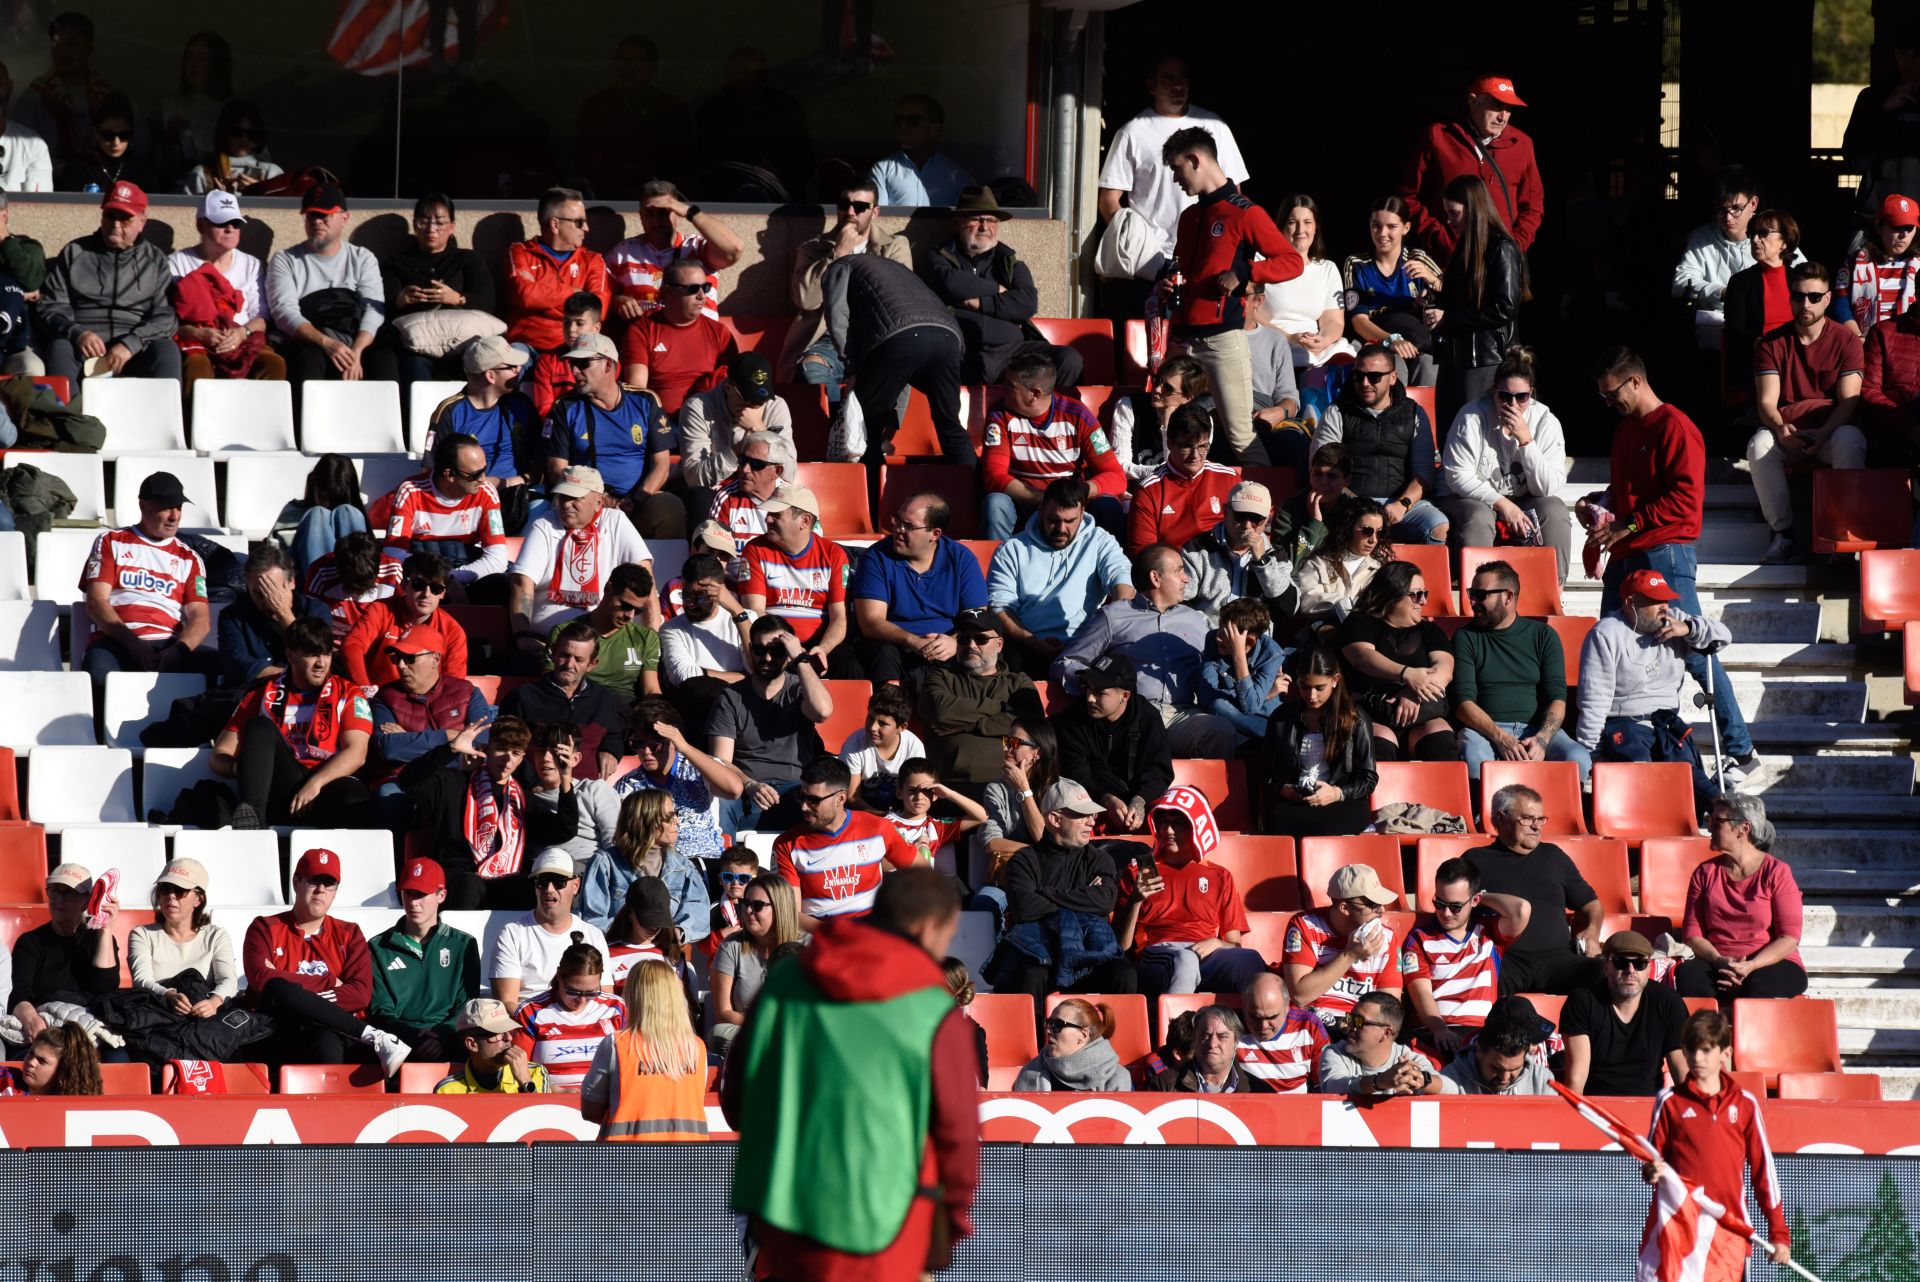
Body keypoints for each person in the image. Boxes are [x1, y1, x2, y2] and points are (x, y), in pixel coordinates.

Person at [724, 868, 978, 1281]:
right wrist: (951, 1221)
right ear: (931, 928)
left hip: (790, 1210)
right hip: (892, 1218)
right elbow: (956, 1128)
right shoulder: (930, 1006)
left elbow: (740, 1091)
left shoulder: (788, 981)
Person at [1583, 348, 1756, 777]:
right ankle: (1611, 744)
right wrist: (1599, 504)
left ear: (1636, 381)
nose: (1609, 403)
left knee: (1691, 645)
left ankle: (1740, 750)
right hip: (1627, 554)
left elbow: (1684, 498)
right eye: (1603, 397)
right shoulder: (1627, 430)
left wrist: (1628, 521)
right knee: (1609, 649)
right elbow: (1632, 489)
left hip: (1665, 551)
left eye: (1612, 394)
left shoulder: (1676, 426)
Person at [1161, 124, 1302, 465]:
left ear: (1195, 160)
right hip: (1181, 337)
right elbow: (1181, 268)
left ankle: (1264, 515)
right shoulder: (1190, 216)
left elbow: (1292, 261)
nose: (1177, 180)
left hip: (1223, 339)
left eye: (1178, 169)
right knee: (1171, 432)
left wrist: (1246, 273)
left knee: (1241, 437)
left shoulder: (1244, 212)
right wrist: (1169, 283)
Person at [1640, 1010, 1793, 1268]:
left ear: (1726, 1054)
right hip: (1681, 1234)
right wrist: (1651, 1171)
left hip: (1729, 1234)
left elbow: (1764, 1172)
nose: (1697, 1058)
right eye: (1691, 1049)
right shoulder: (1668, 1101)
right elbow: (1651, 1161)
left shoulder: (1746, 1104)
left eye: (1706, 1050)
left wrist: (1778, 1232)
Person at [1056, 544, 1237, 759]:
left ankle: (1203, 793)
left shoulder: (1197, 620)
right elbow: (1066, 662)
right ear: (1155, 578)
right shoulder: (1113, 616)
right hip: (1133, 716)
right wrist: (1094, 682)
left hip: (1184, 715)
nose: (1186, 578)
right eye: (1179, 570)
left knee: (1221, 731)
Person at [243, 848, 411, 1073]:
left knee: (324, 1037)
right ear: (296, 881)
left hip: (337, 1034)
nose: (321, 890)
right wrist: (330, 981)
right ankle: (375, 1036)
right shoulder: (264, 928)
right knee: (276, 986)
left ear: (335, 891)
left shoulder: (349, 933)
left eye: (329, 883)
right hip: (279, 1032)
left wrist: (297, 997)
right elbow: (262, 981)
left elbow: (360, 994)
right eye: (313, 880)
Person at [1745, 260, 1867, 565]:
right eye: (1798, 296)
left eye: (1814, 297)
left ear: (1827, 299)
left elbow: (1849, 401)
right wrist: (1780, 428)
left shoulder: (1847, 340)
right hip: (1790, 431)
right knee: (1759, 446)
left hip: (1830, 431)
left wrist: (1824, 432)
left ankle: (1844, 535)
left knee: (1850, 439)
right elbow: (1767, 403)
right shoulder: (1771, 343)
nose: (1805, 303)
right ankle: (1783, 535)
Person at [1575, 567, 1731, 801]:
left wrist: (1688, 629)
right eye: (1655, 601)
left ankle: (1718, 818)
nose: (1664, 607)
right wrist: (1591, 755)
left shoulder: (1675, 621)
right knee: (1641, 772)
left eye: (1665, 599)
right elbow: (1594, 700)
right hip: (1625, 722)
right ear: (1631, 602)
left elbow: (1723, 636)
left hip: (1666, 723)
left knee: (1701, 788)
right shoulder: (1606, 633)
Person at [212, 616, 376, 831]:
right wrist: (243, 768)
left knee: (356, 798)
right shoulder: (262, 693)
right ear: (290, 655)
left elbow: (357, 753)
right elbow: (219, 755)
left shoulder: (349, 693)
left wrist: (315, 784)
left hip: (327, 783)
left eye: (326, 654)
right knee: (260, 727)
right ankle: (252, 820)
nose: (321, 663)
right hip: (281, 785)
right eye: (311, 655)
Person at [993, 779, 1140, 1001]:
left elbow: (1105, 901)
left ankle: (1121, 1037)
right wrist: (1083, 898)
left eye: (1092, 814)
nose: (1092, 822)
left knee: (1125, 974)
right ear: (1054, 819)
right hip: (1041, 951)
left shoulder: (1100, 859)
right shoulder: (1024, 860)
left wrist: (1045, 893)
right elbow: (1025, 908)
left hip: (1091, 951)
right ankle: (1034, 1036)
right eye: (1082, 815)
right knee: (1030, 973)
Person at [1096, 54, 1250, 266]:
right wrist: (1132, 244)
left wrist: (1225, 244)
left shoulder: (1215, 126)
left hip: (1205, 251)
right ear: (1151, 86)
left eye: (1183, 78)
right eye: (1168, 79)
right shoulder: (1132, 132)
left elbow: (1234, 193)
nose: (1178, 85)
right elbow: (1108, 200)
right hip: (1151, 258)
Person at [1115, 787, 1266, 998]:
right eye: (1163, 822)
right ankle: (1176, 1029)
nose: (1168, 831)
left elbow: (1234, 943)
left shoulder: (1220, 876)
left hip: (1207, 954)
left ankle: (1250, 1030)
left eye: (1178, 823)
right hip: (1157, 954)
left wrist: (1219, 943)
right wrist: (1135, 900)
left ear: (1196, 826)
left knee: (1250, 960)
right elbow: (1121, 947)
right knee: (1185, 961)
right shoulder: (1139, 872)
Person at [924, 186, 1083, 387]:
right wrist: (998, 290)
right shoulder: (940, 257)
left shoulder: (1009, 262)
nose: (984, 227)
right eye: (976, 219)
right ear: (957, 223)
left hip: (1013, 354)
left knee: (1068, 359)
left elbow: (1027, 303)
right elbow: (950, 283)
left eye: (991, 220)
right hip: (965, 351)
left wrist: (979, 304)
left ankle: (1053, 417)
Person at [77, 471, 211, 709]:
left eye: (178, 507)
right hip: (116, 639)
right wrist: (134, 644)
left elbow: (201, 619)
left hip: (169, 644)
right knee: (98, 677)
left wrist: (180, 650)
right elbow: (96, 602)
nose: (174, 516)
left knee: (224, 669)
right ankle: (98, 741)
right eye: (166, 507)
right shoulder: (111, 541)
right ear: (143, 505)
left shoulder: (190, 558)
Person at [822, 251, 970, 464]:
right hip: (949, 339)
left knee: (867, 430)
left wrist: (852, 367)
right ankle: (976, 490)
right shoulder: (898, 269)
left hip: (899, 339)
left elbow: (838, 320)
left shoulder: (840, 266)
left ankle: (874, 494)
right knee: (950, 426)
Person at [1452, 559, 1590, 785]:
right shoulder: (1465, 637)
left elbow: (1557, 697)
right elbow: (1463, 702)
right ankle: (1483, 818)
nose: (1473, 601)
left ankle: (1554, 818)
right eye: (1471, 593)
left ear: (1508, 596)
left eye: (1480, 594)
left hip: (1536, 729)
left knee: (1578, 759)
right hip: (1485, 730)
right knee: (1475, 757)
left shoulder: (1542, 635)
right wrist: (1500, 737)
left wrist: (1542, 740)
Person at [781, 174, 913, 407]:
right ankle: (838, 429)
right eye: (845, 205)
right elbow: (807, 301)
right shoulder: (813, 250)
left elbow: (898, 300)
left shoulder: (894, 246)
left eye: (860, 206)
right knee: (812, 369)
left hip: (875, 338)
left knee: (898, 369)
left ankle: (873, 438)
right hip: (829, 340)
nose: (851, 212)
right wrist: (838, 255)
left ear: (875, 212)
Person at [1441, 346, 1572, 580]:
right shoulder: (1471, 416)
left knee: (1555, 510)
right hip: (1473, 498)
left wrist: (1526, 441)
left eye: (1521, 397)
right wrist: (1502, 504)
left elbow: (1548, 487)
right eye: (1504, 396)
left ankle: (1554, 591)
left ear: (1531, 394)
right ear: (1493, 392)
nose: (1512, 404)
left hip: (1523, 496)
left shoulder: (1545, 421)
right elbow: (1457, 476)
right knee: (1478, 517)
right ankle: (1477, 594)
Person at [542, 334, 682, 540]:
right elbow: (556, 469)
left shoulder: (644, 401)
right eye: (573, 364)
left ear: (608, 365)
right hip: (586, 501)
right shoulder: (566, 406)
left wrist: (635, 501)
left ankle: (667, 572)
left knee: (669, 507)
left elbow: (661, 465)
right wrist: (602, 500)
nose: (574, 371)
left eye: (582, 363)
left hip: (637, 502)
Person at [1468, 783, 1604, 995]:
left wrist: (1592, 932)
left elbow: (1590, 904)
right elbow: (1455, 906)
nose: (1537, 826)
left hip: (1558, 961)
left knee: (1606, 974)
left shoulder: (1554, 856)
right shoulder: (1475, 860)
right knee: (1472, 981)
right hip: (1504, 960)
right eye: (1528, 818)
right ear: (1501, 818)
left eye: (1540, 819)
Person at [37, 182, 180, 382]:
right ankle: (66, 413)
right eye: (110, 216)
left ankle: (166, 412)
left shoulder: (155, 260)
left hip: (134, 346)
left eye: (125, 219)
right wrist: (78, 333)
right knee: (59, 348)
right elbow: (51, 306)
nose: (115, 224)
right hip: (82, 342)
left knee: (166, 351)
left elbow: (166, 316)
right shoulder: (75, 251)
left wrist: (133, 343)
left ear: (142, 221)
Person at [1308, 345, 1446, 543]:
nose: (1365, 383)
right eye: (1358, 376)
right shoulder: (1337, 412)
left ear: (1393, 377)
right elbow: (1323, 470)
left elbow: (1424, 473)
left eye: (1374, 377)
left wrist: (1402, 504)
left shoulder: (1414, 413)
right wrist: (1359, 507)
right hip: (1350, 503)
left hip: (1400, 505)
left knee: (1438, 527)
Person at [410, 715, 549, 910]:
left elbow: (562, 830)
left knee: (527, 886)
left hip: (505, 877)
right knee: (470, 885)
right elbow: (409, 782)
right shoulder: (454, 783)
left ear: (521, 758)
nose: (507, 759)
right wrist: (450, 749)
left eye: (515, 753)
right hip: (457, 879)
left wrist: (565, 783)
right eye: (501, 749)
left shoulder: (523, 798)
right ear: (486, 749)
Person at [1676, 793, 1807, 1000]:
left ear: (1743, 829)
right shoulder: (1704, 873)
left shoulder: (1776, 872)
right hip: (1718, 962)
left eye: (1717, 822)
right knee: (1688, 976)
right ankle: (1710, 1032)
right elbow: (1693, 934)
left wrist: (1751, 966)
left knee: (1757, 985)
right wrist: (1720, 961)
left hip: (1767, 963)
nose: (1709, 827)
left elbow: (1789, 938)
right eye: (1710, 821)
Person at [981, 351, 1123, 542]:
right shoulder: (999, 415)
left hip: (1069, 506)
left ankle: (1111, 569)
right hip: (1025, 502)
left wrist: (1078, 493)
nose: (1001, 388)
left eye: (1010, 386)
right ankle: (998, 565)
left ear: (1035, 394)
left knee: (1108, 506)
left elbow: (1116, 477)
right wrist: (1045, 499)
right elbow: (993, 477)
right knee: (996, 503)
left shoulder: (1078, 416)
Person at [507, 466, 653, 650]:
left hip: (604, 642)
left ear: (599, 502)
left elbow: (645, 579)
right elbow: (522, 583)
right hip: (546, 640)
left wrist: (651, 642)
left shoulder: (616, 521)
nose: (566, 504)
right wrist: (523, 637)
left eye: (575, 498)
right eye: (562, 497)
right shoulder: (544, 524)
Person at [1399, 74, 1543, 259]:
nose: (1503, 117)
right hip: (1448, 263)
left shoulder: (1522, 144)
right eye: (1497, 106)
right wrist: (1440, 239)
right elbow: (1409, 197)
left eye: (1508, 109)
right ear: (1472, 101)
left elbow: (1533, 206)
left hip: (1500, 263)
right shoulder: (1438, 137)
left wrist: (1514, 246)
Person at [1399, 857, 1532, 1057]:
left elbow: (1521, 910)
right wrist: (1439, 1029)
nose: (1445, 913)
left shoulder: (1488, 932)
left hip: (1483, 1033)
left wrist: (1480, 897)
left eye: (1455, 906)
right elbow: (1421, 993)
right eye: (1439, 903)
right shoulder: (1419, 938)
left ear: (1475, 901)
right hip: (1434, 1032)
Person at [711, 616, 833, 834]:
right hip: (746, 790)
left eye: (776, 651)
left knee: (824, 802)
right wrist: (750, 785)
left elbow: (822, 711)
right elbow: (720, 761)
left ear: (788, 654)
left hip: (796, 789)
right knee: (720, 801)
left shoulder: (799, 690)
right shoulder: (731, 697)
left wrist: (801, 659)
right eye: (759, 650)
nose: (766, 657)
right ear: (750, 649)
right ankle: (723, 866)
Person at [265, 182, 394, 387]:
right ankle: (305, 419)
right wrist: (326, 343)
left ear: (344, 218)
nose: (317, 222)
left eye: (324, 215)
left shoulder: (362, 258)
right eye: (311, 216)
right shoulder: (285, 260)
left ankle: (384, 419)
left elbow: (374, 309)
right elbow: (284, 313)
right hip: (311, 342)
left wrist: (357, 352)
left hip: (354, 339)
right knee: (308, 358)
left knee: (384, 359)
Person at [852, 491, 988, 685]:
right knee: (882, 652)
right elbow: (871, 622)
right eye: (897, 520)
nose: (898, 529)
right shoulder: (877, 557)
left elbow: (978, 616)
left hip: (946, 645)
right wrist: (913, 641)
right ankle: (888, 710)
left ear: (935, 534)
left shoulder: (961, 559)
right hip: (895, 645)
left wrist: (957, 641)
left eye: (908, 526)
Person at [773, 756, 920, 931]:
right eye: (801, 796)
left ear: (841, 798)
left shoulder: (878, 828)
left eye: (813, 800)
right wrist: (838, 935)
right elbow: (791, 915)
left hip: (872, 934)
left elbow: (923, 873)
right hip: (820, 938)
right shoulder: (787, 844)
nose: (804, 806)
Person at [1425, 174, 1528, 421]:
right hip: (1455, 353)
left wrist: (1448, 317)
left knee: (1475, 430)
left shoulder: (1502, 248)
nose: (1448, 220)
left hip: (1485, 357)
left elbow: (1505, 308)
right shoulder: (1464, 248)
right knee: (1451, 431)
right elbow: (1461, 300)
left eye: (1454, 212)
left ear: (1473, 209)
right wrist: (1434, 300)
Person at [732, 483, 856, 676]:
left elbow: (840, 617)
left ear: (804, 521)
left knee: (850, 666)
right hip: (775, 643)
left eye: (777, 515)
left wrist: (823, 649)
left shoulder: (834, 555)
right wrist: (789, 646)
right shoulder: (755, 550)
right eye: (768, 513)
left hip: (819, 643)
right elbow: (755, 611)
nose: (768, 519)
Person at [1340, 561, 1458, 762]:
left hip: (1420, 712)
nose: (1423, 601)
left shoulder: (1429, 630)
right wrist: (1407, 674)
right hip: (1373, 711)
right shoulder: (1360, 622)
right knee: (1379, 743)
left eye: (1425, 594)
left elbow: (1444, 669)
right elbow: (1362, 657)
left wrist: (1415, 691)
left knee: (1440, 737)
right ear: (1392, 594)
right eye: (1415, 594)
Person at [165, 188, 283, 389]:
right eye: (221, 222)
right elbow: (168, 320)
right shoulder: (177, 263)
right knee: (196, 366)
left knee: (273, 364)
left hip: (243, 338)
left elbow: (262, 317)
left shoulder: (251, 264)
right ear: (200, 225)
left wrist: (241, 333)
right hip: (198, 341)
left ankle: (259, 420)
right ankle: (193, 420)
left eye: (235, 223)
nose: (230, 229)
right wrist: (199, 334)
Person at [580, 957, 709, 1139]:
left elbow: (590, 1109)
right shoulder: (697, 1048)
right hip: (688, 1161)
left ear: (633, 996)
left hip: (629, 1161)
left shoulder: (617, 1045)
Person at [366, 857, 481, 1061]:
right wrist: (413, 1036)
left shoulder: (463, 944)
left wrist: (441, 1034)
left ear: (441, 895)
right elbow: (380, 1010)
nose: (413, 902)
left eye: (421, 894)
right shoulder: (378, 947)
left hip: (452, 1038)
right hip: (398, 1041)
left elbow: (466, 1004)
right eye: (408, 893)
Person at [379, 193, 497, 389]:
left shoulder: (467, 260)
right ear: (415, 225)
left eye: (440, 223)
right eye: (424, 221)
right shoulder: (396, 263)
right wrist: (400, 300)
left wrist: (458, 298)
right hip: (414, 346)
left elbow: (489, 304)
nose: (431, 229)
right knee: (413, 368)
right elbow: (380, 309)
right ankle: (417, 419)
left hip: (461, 344)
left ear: (452, 226)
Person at [918, 608, 1044, 786]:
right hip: (951, 786)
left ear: (999, 644)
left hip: (1010, 785)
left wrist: (969, 726)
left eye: (981, 639)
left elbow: (1032, 723)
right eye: (963, 639)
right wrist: (1002, 708)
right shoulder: (941, 676)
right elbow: (939, 711)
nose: (971, 645)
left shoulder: (1018, 682)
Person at [1261, 645, 1376, 838]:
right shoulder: (1282, 718)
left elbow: (1368, 778)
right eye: (1305, 687)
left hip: (1341, 801)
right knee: (1278, 818)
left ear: (1335, 680)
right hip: (1296, 803)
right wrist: (1283, 789)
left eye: (1319, 688)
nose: (1312, 696)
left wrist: (1336, 793)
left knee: (1335, 821)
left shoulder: (1356, 718)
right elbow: (1264, 772)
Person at [1054, 655, 1175, 834]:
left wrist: (1140, 800)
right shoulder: (1072, 720)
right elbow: (1076, 773)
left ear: (1124, 696)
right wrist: (1107, 799)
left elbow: (1159, 769)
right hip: (1087, 806)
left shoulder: (1148, 718)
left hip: (1139, 808)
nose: (1089, 698)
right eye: (1087, 688)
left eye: (1099, 692)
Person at [1562, 930, 1689, 1096]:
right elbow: (1576, 1076)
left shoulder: (1668, 1002)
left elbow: (1682, 1069)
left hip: (1648, 1108)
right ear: (1606, 967)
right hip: (1596, 1108)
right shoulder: (1582, 1001)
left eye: (1639, 963)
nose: (1630, 970)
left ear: (1649, 968)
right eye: (1621, 962)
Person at [384, 434, 511, 597]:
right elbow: (393, 553)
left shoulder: (486, 493)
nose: (483, 479)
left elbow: (497, 559)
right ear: (449, 474)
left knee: (500, 585)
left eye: (484, 470)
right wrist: (434, 581)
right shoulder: (411, 491)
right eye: (475, 475)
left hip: (465, 576)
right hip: (421, 583)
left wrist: (450, 580)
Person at [367, 634, 490, 801]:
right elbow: (390, 749)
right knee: (388, 794)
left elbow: (477, 754)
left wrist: (408, 739)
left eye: (410, 658)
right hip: (405, 781)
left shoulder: (467, 692)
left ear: (435, 659)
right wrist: (448, 736)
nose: (401, 666)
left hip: (457, 779)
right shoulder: (386, 696)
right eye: (397, 658)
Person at [1281, 861, 1402, 1031]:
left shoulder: (1387, 938)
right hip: (1311, 1026)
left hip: (1360, 1028)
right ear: (1345, 908)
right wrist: (1349, 956)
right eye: (1373, 904)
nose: (1382, 910)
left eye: (1381, 903)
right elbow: (1300, 996)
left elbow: (1389, 1008)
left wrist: (1354, 1024)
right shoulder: (1305, 926)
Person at [500, 624, 630, 781]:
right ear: (553, 653)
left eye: (579, 660)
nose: (569, 664)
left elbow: (613, 734)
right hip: (539, 793)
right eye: (564, 655)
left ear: (591, 664)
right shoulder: (522, 697)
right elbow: (506, 748)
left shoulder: (603, 698)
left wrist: (611, 750)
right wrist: (533, 785)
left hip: (588, 792)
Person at [603, 178, 743, 323]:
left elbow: (734, 249)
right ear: (640, 216)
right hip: (647, 340)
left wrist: (690, 211)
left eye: (664, 213)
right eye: (649, 214)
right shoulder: (624, 252)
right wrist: (617, 301)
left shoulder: (696, 247)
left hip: (699, 340)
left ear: (678, 213)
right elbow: (598, 296)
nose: (656, 222)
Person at [488, 849, 610, 1010]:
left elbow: (605, 998)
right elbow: (507, 1003)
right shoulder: (512, 934)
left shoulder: (594, 935)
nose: (549, 889)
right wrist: (544, 1025)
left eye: (559, 881)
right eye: (542, 882)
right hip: (530, 1025)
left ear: (576, 885)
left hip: (583, 1025)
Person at [581, 787, 711, 938]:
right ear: (647, 821)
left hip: (664, 954)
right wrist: (635, 935)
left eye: (676, 814)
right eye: (669, 817)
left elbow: (699, 913)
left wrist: (677, 933)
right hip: (617, 951)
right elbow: (592, 919)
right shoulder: (606, 864)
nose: (677, 821)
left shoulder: (682, 867)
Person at [1343, 195, 1443, 385]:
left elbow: (1456, 293)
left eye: (1391, 227)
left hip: (1417, 345)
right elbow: (1359, 321)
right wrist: (1392, 340)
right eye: (1376, 225)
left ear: (1406, 228)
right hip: (1376, 344)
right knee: (1392, 366)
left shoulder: (1417, 258)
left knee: (1429, 365)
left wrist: (1432, 280)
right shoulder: (1357, 264)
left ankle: (1423, 415)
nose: (1382, 233)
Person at [9, 864, 118, 1035]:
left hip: (91, 1028)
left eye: (68, 892)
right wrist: (31, 1019)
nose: (59, 898)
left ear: (87, 901)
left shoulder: (99, 940)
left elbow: (106, 987)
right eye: (54, 891)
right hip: (46, 1026)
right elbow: (18, 990)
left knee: (119, 1058)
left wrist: (105, 930)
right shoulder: (30, 942)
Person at [621, 258, 738, 416]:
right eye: (693, 289)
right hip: (663, 424)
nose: (702, 295)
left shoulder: (719, 332)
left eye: (706, 287)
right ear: (669, 292)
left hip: (710, 420)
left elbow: (736, 385)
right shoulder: (642, 330)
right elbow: (637, 391)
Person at [338, 553, 469, 693]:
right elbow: (353, 644)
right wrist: (364, 688)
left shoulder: (453, 631)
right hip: (378, 699)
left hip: (427, 705)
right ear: (404, 585)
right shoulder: (381, 610)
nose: (427, 594)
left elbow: (454, 684)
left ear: (443, 593)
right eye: (419, 585)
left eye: (436, 588)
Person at [1258, 194, 1356, 379]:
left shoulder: (1327, 268)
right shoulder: (1260, 262)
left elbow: (1333, 321)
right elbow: (1249, 313)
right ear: (1281, 227)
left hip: (1313, 349)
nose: (1300, 230)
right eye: (1293, 222)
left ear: (1316, 227)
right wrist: (1289, 338)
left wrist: (1324, 340)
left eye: (1307, 222)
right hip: (1272, 343)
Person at [504, 187, 611, 356]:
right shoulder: (521, 252)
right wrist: (574, 294)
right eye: (579, 222)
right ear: (555, 224)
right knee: (506, 367)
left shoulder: (593, 260)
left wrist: (540, 298)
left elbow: (598, 309)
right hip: (527, 346)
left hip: (576, 348)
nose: (586, 228)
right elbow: (525, 295)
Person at [423, 336, 537, 491]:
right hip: (469, 498)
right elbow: (432, 471)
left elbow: (541, 455)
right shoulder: (450, 412)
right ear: (490, 376)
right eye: (512, 367)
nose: (519, 370)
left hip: (520, 493)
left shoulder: (521, 404)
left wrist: (519, 480)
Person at [1672, 168, 1769, 350]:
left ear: (1753, 203)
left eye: (1736, 209)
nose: (1728, 218)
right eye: (1721, 210)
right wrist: (1722, 292)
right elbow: (1680, 283)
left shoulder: (1772, 235)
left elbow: (1800, 277)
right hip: (1713, 341)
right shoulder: (1701, 238)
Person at [129, 858, 239, 1018]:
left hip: (203, 1018)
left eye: (180, 890)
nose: (171, 896)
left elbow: (228, 980)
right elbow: (142, 982)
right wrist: (169, 996)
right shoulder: (142, 934)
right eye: (165, 888)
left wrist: (214, 1002)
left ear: (198, 899)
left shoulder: (216, 935)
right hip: (159, 1015)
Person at [513, 938, 626, 1093]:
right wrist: (555, 1091)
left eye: (592, 993)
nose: (582, 1000)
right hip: (551, 1104)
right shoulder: (532, 1011)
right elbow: (518, 1071)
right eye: (573, 991)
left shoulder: (617, 1008)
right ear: (559, 976)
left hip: (607, 1103)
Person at [1126, 405, 1241, 554]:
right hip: (1176, 572)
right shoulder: (1149, 491)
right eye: (1186, 447)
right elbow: (1144, 556)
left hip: (1226, 568)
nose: (1195, 455)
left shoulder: (1230, 479)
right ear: (1170, 443)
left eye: (1202, 446)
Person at [1179, 480, 1297, 626]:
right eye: (1240, 516)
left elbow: (1290, 607)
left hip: (1256, 641)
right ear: (1225, 511)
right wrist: (1212, 631)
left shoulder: (1276, 555)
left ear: (1266, 520)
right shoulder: (1196, 549)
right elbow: (1179, 603)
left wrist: (1263, 564)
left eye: (1255, 519)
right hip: (1208, 639)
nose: (1247, 526)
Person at [678, 352, 795, 499]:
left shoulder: (775, 406)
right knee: (700, 498)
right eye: (748, 398)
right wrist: (737, 450)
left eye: (761, 399)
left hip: (762, 494)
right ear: (728, 387)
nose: (756, 405)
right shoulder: (699, 407)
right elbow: (695, 479)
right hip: (716, 494)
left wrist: (761, 433)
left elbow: (789, 474)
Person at [659, 552, 755, 725]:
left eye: (701, 597)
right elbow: (687, 677)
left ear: (721, 592)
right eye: (686, 595)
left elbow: (756, 667)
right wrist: (746, 678)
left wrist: (737, 612)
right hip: (702, 715)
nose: (689, 604)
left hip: (746, 714)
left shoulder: (747, 619)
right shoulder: (671, 628)